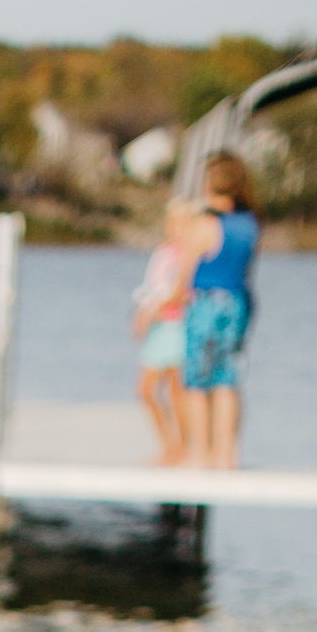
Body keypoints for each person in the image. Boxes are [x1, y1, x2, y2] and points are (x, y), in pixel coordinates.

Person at [181, 151, 259, 471]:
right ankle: (227, 455)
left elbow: (183, 275)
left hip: (206, 304)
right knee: (228, 380)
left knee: (198, 381)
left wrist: (159, 306)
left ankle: (200, 454)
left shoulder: (206, 223)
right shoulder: (250, 224)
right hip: (238, 303)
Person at [131, 197, 195, 463]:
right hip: (159, 327)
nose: (174, 228)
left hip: (178, 326)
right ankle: (169, 445)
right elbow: (150, 287)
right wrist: (143, 313)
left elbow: (184, 293)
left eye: (181, 223)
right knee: (145, 390)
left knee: (176, 391)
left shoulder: (190, 255)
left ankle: (180, 448)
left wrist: (154, 310)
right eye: (172, 222)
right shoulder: (163, 252)